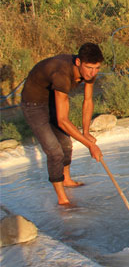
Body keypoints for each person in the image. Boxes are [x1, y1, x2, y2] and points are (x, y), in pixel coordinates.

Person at [21, 43, 105, 205]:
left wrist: (86, 132)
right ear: (79, 62)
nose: (93, 73)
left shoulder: (90, 72)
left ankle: (66, 179)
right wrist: (90, 145)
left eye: (97, 68)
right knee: (54, 151)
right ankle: (62, 199)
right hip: (34, 104)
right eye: (89, 68)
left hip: (52, 99)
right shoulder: (61, 74)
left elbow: (87, 101)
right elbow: (62, 120)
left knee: (66, 144)